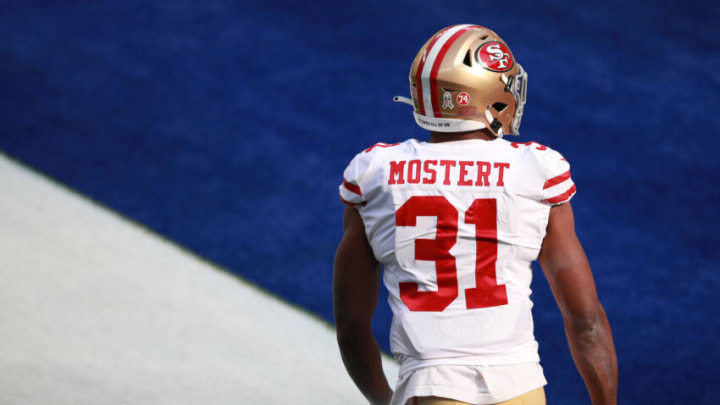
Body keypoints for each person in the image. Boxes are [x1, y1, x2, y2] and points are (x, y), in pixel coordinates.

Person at [333, 24, 617, 405]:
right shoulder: (536, 169)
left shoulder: (375, 173)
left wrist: (386, 401)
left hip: (429, 386)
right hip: (520, 387)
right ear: (484, 93)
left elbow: (351, 325)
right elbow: (587, 324)